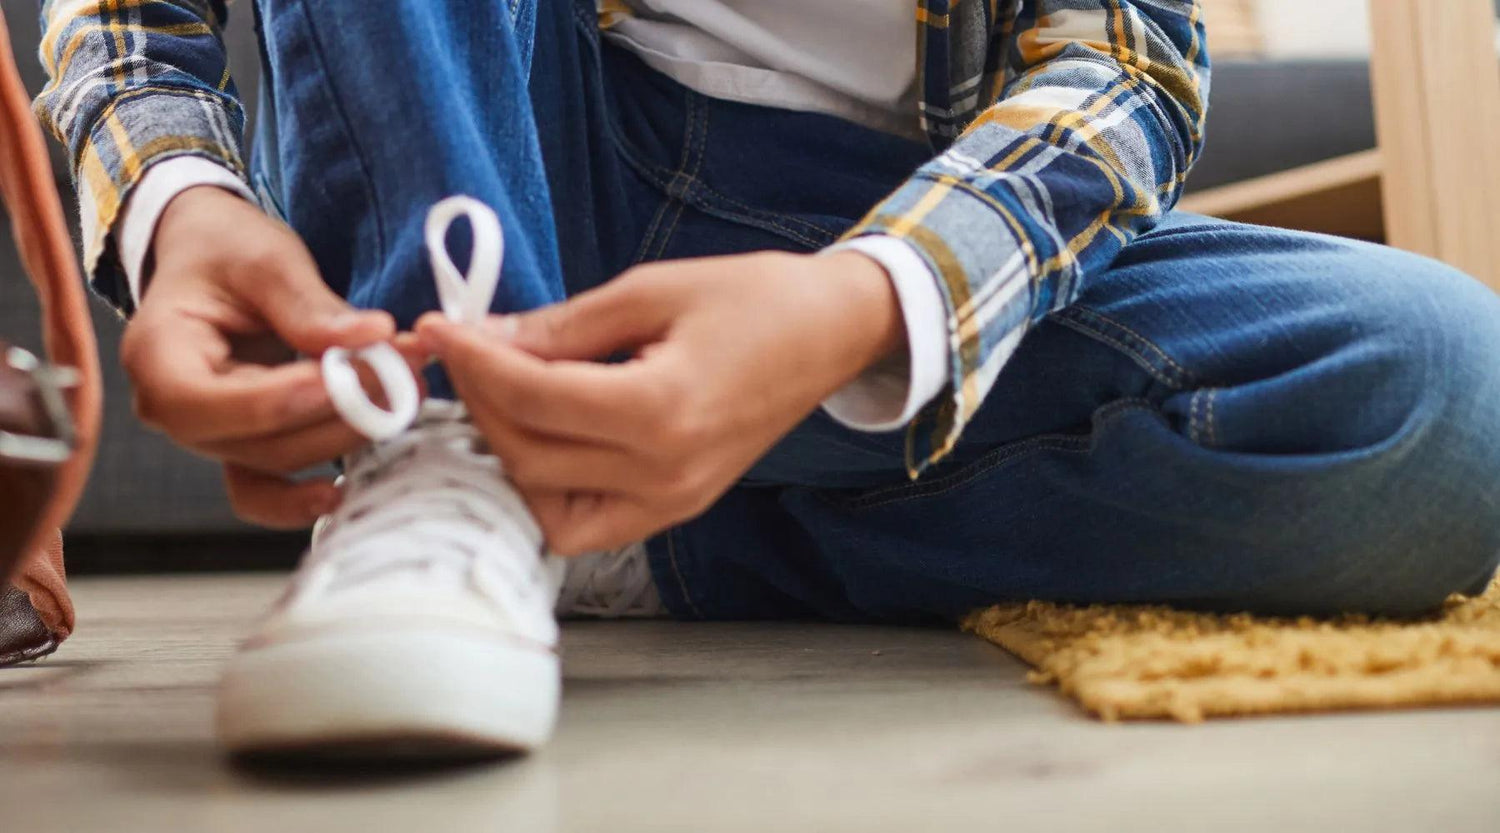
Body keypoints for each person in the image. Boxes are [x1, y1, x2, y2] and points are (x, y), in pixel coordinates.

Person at [35, 0, 1500, 758]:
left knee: (1443, 393)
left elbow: (1125, 58)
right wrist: (179, 208)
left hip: (877, 221)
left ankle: (649, 515)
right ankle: (457, 445)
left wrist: (862, 303)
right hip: (519, 156)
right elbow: (132, 20)